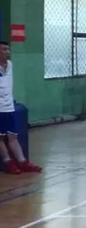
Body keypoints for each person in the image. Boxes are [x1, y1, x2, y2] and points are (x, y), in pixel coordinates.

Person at [0, 42, 41, 175]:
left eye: (8, 49)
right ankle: (8, 162)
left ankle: (22, 161)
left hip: (9, 107)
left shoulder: (10, 65)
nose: (7, 52)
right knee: (0, 138)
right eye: (4, 49)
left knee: (13, 136)